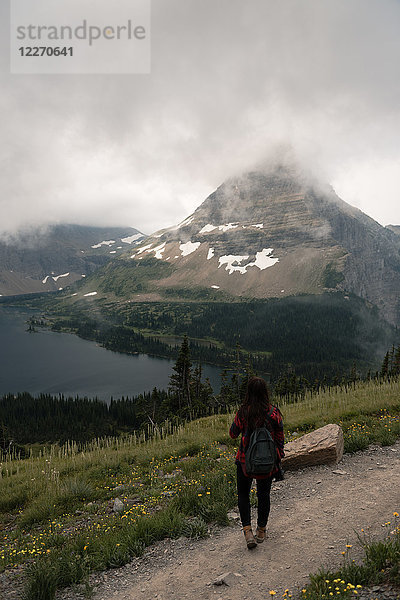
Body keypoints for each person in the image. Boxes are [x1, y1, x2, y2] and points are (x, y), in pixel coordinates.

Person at [229, 376, 284, 549]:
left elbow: (232, 434)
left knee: (243, 495)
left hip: (245, 461)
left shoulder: (244, 412)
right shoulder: (273, 413)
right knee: (263, 495)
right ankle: (261, 530)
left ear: (249, 393)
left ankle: (247, 532)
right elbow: (280, 439)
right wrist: (277, 459)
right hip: (267, 463)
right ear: (265, 392)